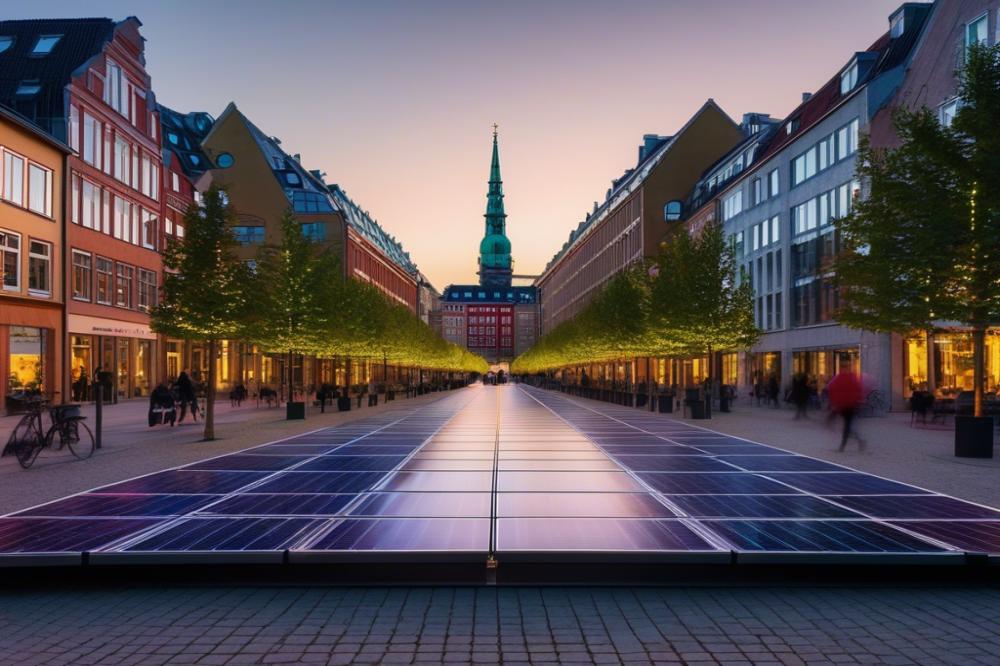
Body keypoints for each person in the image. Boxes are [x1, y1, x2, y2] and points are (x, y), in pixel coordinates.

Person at [827, 368, 865, 451]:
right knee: (848, 426)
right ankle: (858, 441)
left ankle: (843, 446)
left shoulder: (839, 379)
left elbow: (832, 389)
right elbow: (858, 391)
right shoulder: (853, 380)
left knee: (847, 426)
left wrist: (833, 403)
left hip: (843, 406)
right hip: (850, 406)